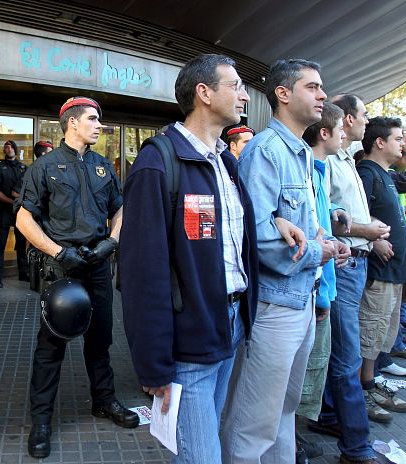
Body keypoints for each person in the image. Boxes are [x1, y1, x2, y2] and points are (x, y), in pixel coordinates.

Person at [120, 54, 259, 463]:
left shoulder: (225, 162)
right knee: (202, 456)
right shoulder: (157, 163)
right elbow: (143, 273)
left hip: (228, 331)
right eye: (235, 85)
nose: (245, 96)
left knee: (203, 445)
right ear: (204, 93)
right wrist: (153, 364)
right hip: (189, 347)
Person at [220, 59, 339, 464]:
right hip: (275, 307)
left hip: (300, 300)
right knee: (255, 422)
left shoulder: (301, 153)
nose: (323, 95)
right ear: (283, 94)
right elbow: (261, 240)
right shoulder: (265, 151)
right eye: (313, 87)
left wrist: (323, 240)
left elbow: (295, 227)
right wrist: (317, 252)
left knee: (284, 412)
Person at [16, 96, 138, 459]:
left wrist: (111, 242)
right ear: (71, 123)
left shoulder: (103, 166)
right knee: (50, 346)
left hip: (97, 264)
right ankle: (40, 421)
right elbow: (24, 219)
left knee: (100, 339)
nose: (99, 125)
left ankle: (104, 401)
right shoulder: (45, 167)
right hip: (61, 269)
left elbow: (121, 208)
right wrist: (57, 252)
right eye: (93, 119)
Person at [310, 93, 387, 463]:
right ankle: (357, 445)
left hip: (350, 261)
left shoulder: (341, 160)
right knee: (346, 357)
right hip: (342, 263)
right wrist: (362, 231)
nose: (365, 122)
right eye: (361, 116)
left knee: (336, 352)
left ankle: (329, 415)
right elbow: (321, 220)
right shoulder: (321, 161)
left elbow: (331, 210)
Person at [355, 116, 406, 423]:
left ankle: (370, 382)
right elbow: (353, 215)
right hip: (379, 272)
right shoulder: (367, 173)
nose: (403, 145)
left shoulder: (386, 175)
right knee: (369, 333)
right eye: (399, 140)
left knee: (382, 334)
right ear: (380, 142)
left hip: (394, 271)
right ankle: (362, 388)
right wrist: (372, 243)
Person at [295, 101, 351, 462]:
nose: (346, 132)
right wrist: (322, 296)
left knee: (311, 371)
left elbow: (318, 228)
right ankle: (293, 442)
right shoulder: (304, 167)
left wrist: (335, 236)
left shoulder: (318, 170)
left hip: (322, 287)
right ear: (325, 132)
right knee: (305, 375)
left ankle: (294, 439)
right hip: (313, 292)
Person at [0, 139, 29, 287]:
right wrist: (12, 202)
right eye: (6, 146)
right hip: (4, 211)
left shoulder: (23, 168)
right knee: (0, 244)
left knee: (21, 244)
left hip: (19, 212)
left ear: (16, 149)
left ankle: (24, 273)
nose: (9, 148)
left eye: (11, 146)